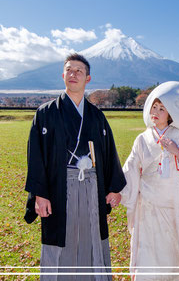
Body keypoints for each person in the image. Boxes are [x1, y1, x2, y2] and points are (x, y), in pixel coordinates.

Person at [24, 53, 126, 280]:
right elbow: (36, 156)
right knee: (62, 237)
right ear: (63, 75)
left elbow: (109, 152)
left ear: (87, 78)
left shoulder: (97, 116)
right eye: (69, 70)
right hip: (60, 186)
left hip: (92, 186)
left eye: (79, 71)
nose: (74, 74)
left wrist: (113, 188)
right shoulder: (46, 113)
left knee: (92, 236)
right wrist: (40, 194)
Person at [120, 81, 179, 281]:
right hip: (147, 206)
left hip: (172, 204)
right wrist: (117, 190)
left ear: (171, 113)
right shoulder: (142, 139)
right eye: (154, 107)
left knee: (172, 249)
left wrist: (176, 151)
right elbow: (130, 168)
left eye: (162, 109)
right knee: (148, 249)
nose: (155, 112)